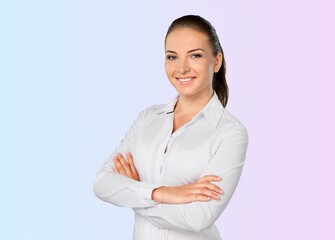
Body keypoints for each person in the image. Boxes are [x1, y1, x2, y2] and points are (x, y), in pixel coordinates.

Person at [93, 15, 249, 240]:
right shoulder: (148, 118)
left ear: (216, 61)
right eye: (172, 57)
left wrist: (134, 191)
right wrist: (163, 193)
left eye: (195, 55)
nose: (182, 68)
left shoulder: (230, 132)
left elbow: (198, 217)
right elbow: (102, 183)